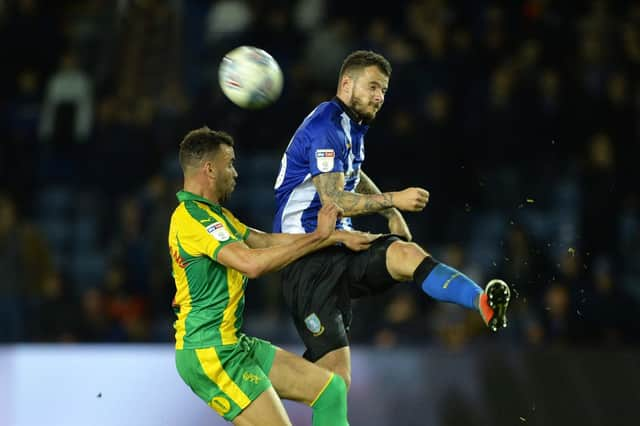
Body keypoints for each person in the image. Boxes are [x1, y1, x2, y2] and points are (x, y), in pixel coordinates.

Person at [273, 50, 511, 387]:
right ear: (346, 84)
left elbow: (353, 172)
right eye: (372, 87)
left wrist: (390, 211)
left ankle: (482, 303)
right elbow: (333, 199)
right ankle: (263, 383)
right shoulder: (326, 126)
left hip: (342, 246)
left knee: (406, 254)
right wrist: (396, 198)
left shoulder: (351, 125)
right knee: (334, 380)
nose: (379, 97)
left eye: (383, 90)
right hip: (306, 259)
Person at [169, 127, 376, 425]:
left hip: (232, 344)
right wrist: (319, 236)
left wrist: (333, 237)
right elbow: (252, 264)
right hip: (209, 353)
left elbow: (264, 242)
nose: (235, 173)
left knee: (330, 390)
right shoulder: (191, 219)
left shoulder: (215, 215)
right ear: (209, 169)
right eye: (229, 164)